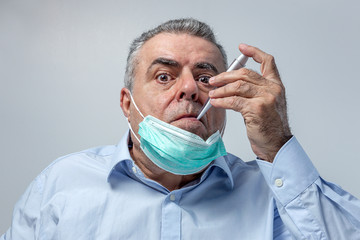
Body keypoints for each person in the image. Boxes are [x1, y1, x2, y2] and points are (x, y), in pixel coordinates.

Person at [2, 18, 360, 240]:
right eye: (164, 76)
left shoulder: (275, 196)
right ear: (127, 104)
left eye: (205, 77)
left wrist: (277, 146)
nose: (189, 88)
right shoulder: (60, 184)